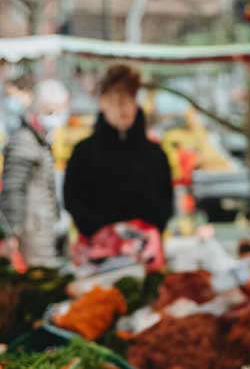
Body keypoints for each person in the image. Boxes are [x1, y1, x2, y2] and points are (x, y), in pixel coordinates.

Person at [63, 64, 174, 240]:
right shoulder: (83, 153)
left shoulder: (156, 154)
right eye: (115, 99)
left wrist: (146, 232)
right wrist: (103, 233)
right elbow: (73, 200)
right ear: (103, 102)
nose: (122, 107)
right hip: (98, 253)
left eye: (129, 98)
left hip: (145, 251)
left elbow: (165, 203)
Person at [0, 79, 70, 267]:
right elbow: (13, 190)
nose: (56, 117)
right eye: (50, 111)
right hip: (30, 236)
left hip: (42, 232)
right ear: (37, 108)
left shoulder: (40, 140)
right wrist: (13, 232)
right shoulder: (25, 141)